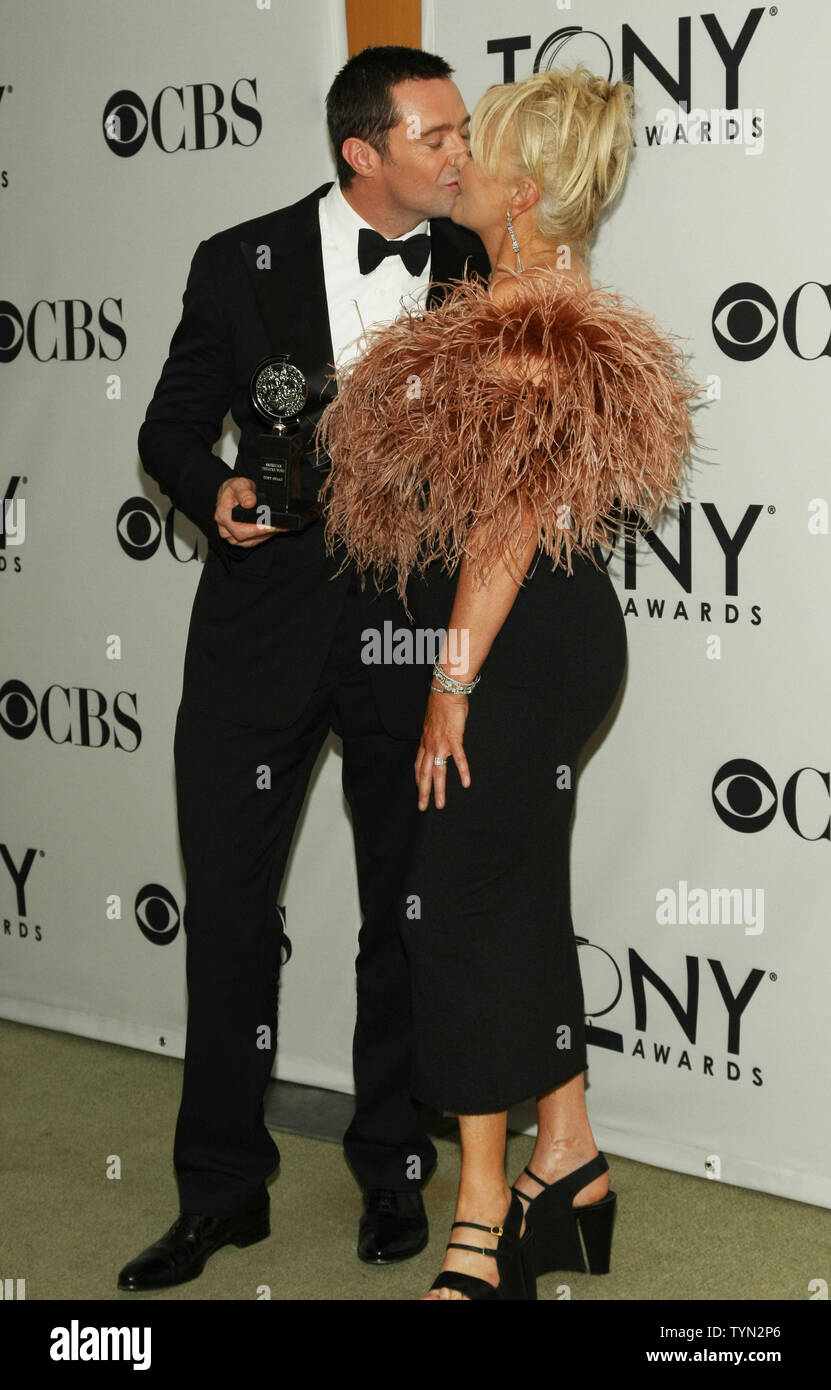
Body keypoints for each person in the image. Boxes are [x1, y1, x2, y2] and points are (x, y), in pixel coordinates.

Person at [320, 65, 701, 1299]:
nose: (453, 159)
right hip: (548, 637)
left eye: (472, 146)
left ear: (522, 190)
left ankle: (483, 1212)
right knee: (516, 890)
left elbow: (506, 526)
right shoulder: (520, 293)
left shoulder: (534, 327)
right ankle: (573, 1158)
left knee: (463, 911)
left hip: (516, 645)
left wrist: (452, 681)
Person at [118, 46, 489, 1293]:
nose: (460, 154)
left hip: (409, 636)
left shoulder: (479, 261)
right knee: (226, 914)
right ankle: (220, 1190)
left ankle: (391, 1163)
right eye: (436, 136)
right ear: (361, 152)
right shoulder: (240, 260)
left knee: (405, 910)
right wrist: (211, 489)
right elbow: (169, 423)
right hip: (257, 637)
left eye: (463, 132)